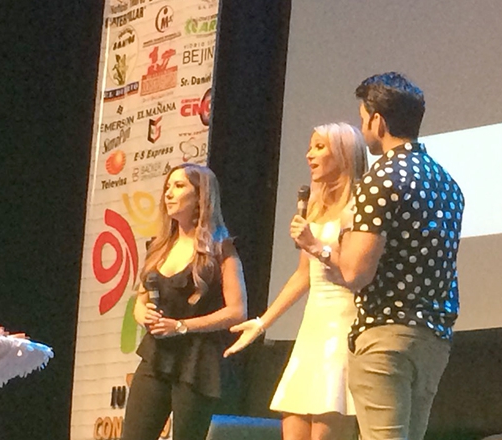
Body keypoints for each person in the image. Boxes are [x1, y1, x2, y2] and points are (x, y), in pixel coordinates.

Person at [291, 72, 465, 440]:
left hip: (385, 335)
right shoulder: (448, 183)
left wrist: (320, 247)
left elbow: (355, 272)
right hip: (433, 339)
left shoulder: (381, 177)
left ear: (378, 121)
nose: (363, 128)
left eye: (362, 119)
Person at [224, 122, 367, 440]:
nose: (309, 155)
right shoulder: (316, 209)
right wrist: (262, 323)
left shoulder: (360, 207)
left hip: (343, 327)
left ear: (343, 153)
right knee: (293, 427)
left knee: (327, 428)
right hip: (312, 327)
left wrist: (315, 245)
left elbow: (354, 270)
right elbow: (303, 275)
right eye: (310, 147)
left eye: (319, 147)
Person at [121, 163, 247, 440]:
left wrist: (181, 326)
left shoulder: (221, 248)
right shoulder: (159, 246)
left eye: (179, 186)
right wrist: (143, 316)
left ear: (200, 196)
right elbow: (140, 301)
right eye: (167, 187)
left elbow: (237, 311)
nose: (168, 193)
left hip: (198, 362)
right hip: (157, 356)